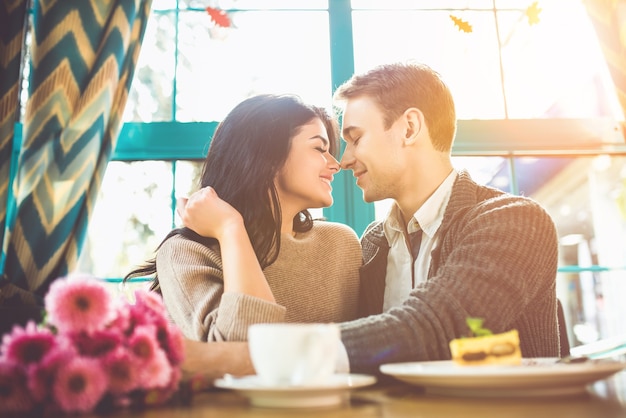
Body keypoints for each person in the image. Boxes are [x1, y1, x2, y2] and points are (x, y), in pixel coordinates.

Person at [178, 62, 561, 377]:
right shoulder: (374, 245)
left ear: (409, 128)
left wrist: (228, 359)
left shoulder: (514, 222)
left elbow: (433, 327)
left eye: (355, 138)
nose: (343, 160)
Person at [125, 94, 362, 342]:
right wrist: (230, 229)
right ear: (268, 157)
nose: (336, 165)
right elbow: (240, 354)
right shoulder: (186, 252)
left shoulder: (341, 244)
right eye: (319, 148)